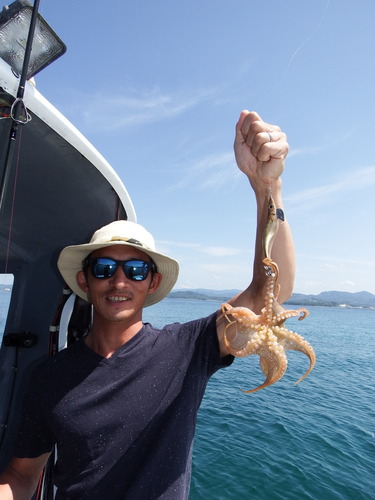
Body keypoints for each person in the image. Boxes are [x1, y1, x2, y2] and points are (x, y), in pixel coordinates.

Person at [0, 110, 294, 499]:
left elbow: (271, 293)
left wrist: (266, 187)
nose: (119, 281)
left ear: (152, 282)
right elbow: (21, 477)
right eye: (104, 267)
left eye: (136, 270)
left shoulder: (187, 349)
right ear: (85, 280)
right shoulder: (49, 376)